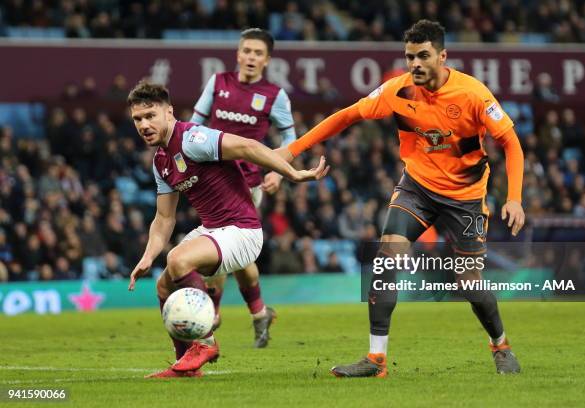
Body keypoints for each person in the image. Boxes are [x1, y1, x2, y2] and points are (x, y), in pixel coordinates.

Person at [278, 20, 525, 377]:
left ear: (442, 56)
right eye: (410, 57)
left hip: (465, 197)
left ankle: (500, 347)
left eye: (423, 56)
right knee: (385, 258)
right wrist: (293, 149)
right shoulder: (398, 90)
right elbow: (347, 115)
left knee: (469, 282)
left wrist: (514, 198)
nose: (416, 64)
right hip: (417, 188)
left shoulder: (473, 94)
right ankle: (376, 360)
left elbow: (511, 144)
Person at [126, 80, 328, 378]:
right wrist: (147, 256)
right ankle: (185, 367)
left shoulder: (193, 138)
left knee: (178, 259)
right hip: (215, 230)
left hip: (243, 231)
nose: (144, 124)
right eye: (138, 119)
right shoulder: (161, 162)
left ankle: (206, 342)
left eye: (150, 115)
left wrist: (291, 174)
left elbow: (247, 146)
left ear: (168, 112)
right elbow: (164, 218)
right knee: (163, 286)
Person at [191, 28, 296, 347]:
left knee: (219, 245)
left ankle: (213, 314)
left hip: (248, 185)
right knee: (236, 256)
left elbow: (289, 138)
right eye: (246, 51)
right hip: (212, 179)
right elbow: (195, 124)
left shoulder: (275, 95)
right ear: (238, 54)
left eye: (258, 53)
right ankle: (259, 313)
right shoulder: (218, 83)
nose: (251, 57)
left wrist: (279, 171)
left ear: (267, 60)